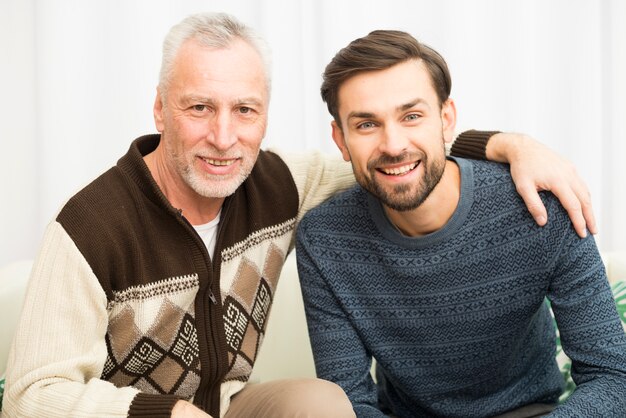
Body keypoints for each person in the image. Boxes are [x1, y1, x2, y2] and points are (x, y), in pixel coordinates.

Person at [2, 12, 596, 418]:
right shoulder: (91, 225)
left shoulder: (278, 182)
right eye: (199, 107)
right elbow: (30, 397)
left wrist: (508, 144)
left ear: (266, 115)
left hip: (234, 405)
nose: (223, 136)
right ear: (160, 109)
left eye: (245, 109)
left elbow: (396, 166)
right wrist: (160, 412)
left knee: (320, 404)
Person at [296, 29, 626, 418]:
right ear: (341, 138)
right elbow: (350, 402)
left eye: (412, 116)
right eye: (367, 124)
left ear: (446, 119)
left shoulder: (542, 204)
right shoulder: (325, 240)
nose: (393, 144)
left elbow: (613, 377)